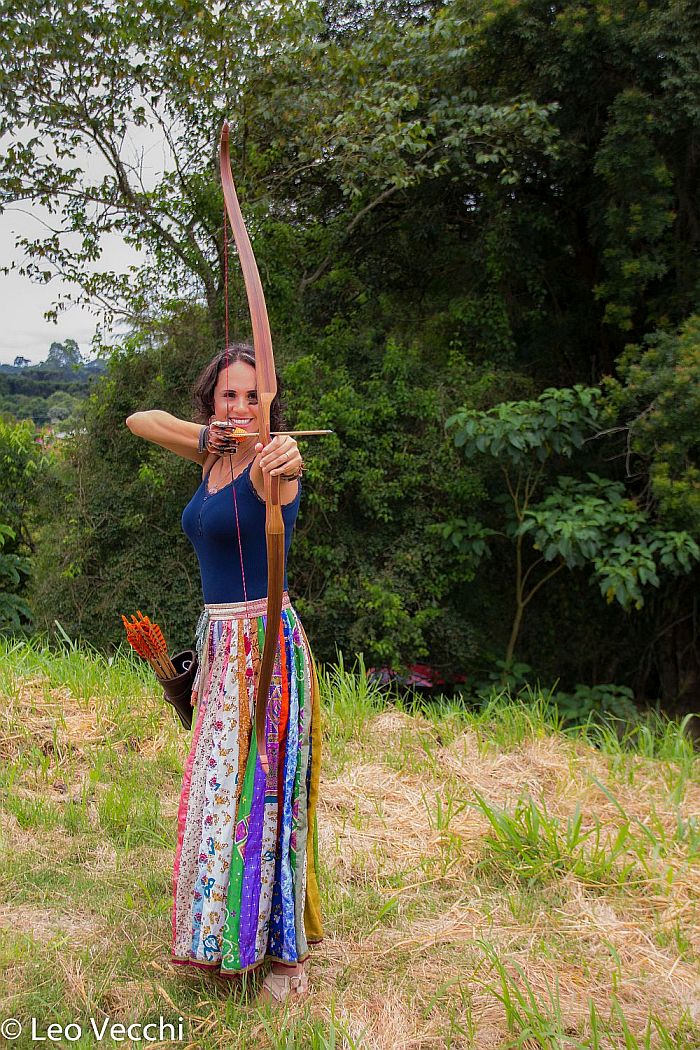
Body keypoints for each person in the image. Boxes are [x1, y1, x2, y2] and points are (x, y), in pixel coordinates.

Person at [125, 344, 323, 1005]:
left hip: (264, 646)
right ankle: (223, 938)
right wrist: (212, 435)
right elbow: (139, 420)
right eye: (228, 395)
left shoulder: (270, 464)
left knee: (268, 796)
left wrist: (283, 454)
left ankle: (286, 962)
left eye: (253, 396)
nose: (240, 407)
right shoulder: (212, 454)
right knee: (221, 795)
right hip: (219, 644)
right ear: (212, 399)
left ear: (270, 403)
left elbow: (286, 470)